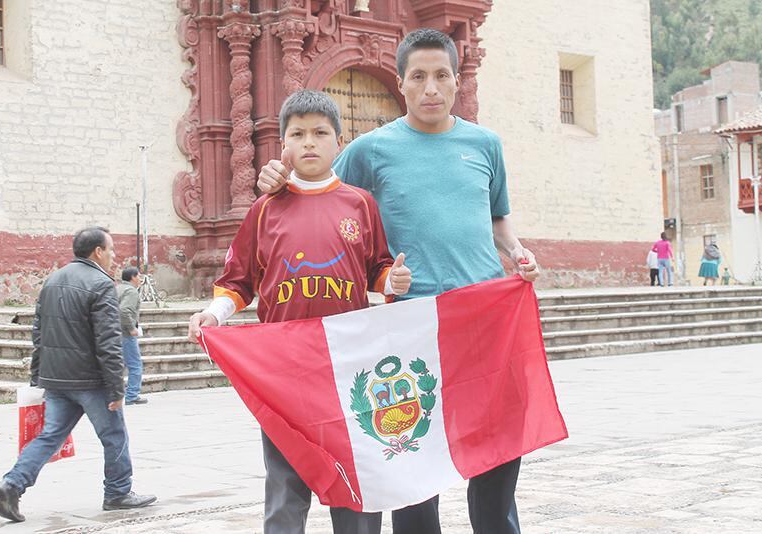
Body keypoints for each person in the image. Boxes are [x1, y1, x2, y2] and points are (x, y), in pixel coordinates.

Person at [258, 28, 539, 534]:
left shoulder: (485, 144)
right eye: (418, 77)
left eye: (441, 76)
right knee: (411, 449)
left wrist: (517, 252)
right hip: (412, 325)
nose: (431, 88)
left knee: (498, 444)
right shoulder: (371, 149)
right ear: (402, 83)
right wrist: (276, 179)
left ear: (456, 81)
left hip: (484, 317)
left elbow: (497, 220)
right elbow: (320, 191)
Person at [189, 90, 412, 534]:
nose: (309, 142)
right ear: (284, 145)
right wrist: (215, 313)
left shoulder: (360, 204)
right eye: (298, 134)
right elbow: (238, 280)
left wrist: (391, 282)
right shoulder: (265, 208)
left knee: (352, 469)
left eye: (320, 133)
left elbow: (377, 268)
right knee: (286, 477)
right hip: (284, 367)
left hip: (348, 364)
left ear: (339, 141)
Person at [0, 227, 156, 523]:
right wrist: (117, 388)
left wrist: (37, 375)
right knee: (114, 435)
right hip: (90, 380)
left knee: (50, 436)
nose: (114, 256)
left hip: (56, 378)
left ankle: (12, 484)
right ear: (98, 252)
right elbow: (108, 340)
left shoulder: (53, 280)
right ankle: (118, 492)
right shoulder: (101, 284)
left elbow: (38, 333)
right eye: (111, 250)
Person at [117, 267, 147, 405]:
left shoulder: (117, 289)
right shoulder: (131, 292)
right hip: (125, 333)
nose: (140, 279)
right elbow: (124, 311)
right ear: (133, 277)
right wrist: (131, 328)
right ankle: (132, 394)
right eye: (139, 276)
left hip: (113, 332)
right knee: (135, 364)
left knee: (118, 365)